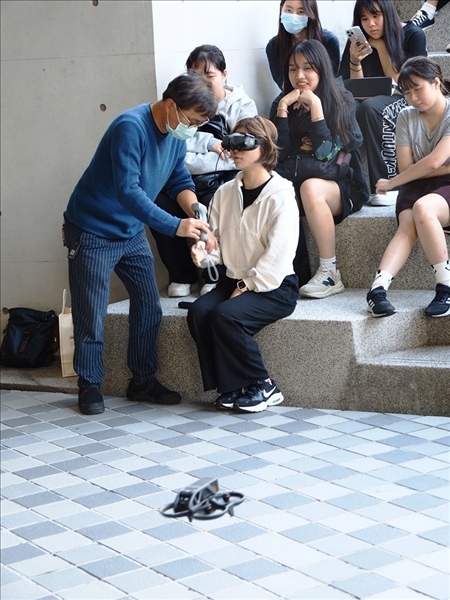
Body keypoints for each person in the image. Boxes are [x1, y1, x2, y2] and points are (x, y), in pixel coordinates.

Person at [63, 73, 217, 415]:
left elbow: (178, 178)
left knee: (149, 305)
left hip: (130, 230)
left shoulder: (176, 135)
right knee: (91, 313)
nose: (192, 129)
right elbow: (129, 192)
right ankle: (89, 384)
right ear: (171, 106)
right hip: (92, 229)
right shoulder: (129, 127)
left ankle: (142, 381)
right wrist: (177, 226)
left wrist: (195, 209)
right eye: (191, 121)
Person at [187, 116, 299, 413]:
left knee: (227, 316)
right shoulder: (224, 193)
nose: (234, 150)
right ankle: (231, 386)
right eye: (231, 142)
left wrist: (246, 285)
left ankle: (264, 385)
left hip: (274, 285)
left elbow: (280, 254)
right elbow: (217, 245)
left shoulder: (281, 195)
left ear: (266, 147)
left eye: (244, 143)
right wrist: (204, 253)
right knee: (199, 312)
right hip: (233, 278)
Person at [150, 45, 257, 298]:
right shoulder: (180, 105)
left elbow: (240, 154)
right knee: (159, 203)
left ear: (224, 75)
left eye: (209, 75)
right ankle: (181, 274)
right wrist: (210, 144)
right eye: (194, 75)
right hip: (180, 180)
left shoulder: (242, 105)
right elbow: (176, 150)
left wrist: (196, 154)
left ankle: (215, 274)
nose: (202, 82)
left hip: (222, 180)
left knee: (217, 202)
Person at [275, 39, 369, 299]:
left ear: (322, 69)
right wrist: (282, 110)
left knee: (310, 187)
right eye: (293, 69)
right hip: (297, 182)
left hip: (341, 185)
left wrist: (316, 109)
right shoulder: (283, 102)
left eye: (308, 68)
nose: (300, 76)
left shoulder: (342, 100)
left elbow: (325, 153)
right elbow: (278, 153)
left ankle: (330, 272)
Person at [366, 57, 450, 318]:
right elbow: (406, 166)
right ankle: (377, 289)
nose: (413, 98)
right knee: (408, 224)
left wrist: (392, 183)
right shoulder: (405, 116)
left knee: (423, 209)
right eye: (406, 92)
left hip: (443, 187)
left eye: (418, 89)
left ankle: (445, 287)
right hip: (415, 183)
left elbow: (432, 161)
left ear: (436, 83)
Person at [339, 0, 427, 202]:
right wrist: (355, 61)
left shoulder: (412, 35)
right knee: (347, 107)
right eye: (364, 19)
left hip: (409, 99)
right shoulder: (359, 41)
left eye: (376, 16)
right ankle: (352, 187)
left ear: (388, 13)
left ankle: (389, 186)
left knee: (372, 108)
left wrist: (381, 47)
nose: (371, 24)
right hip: (371, 101)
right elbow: (355, 89)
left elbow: (406, 84)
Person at [266, 0, 340, 121]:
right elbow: (283, 83)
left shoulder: (328, 40)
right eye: (288, 10)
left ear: (311, 13)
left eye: (301, 12)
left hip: (325, 94)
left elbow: (333, 79)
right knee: (276, 107)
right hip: (293, 92)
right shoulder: (274, 46)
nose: (293, 16)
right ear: (281, 9)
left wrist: (313, 101)